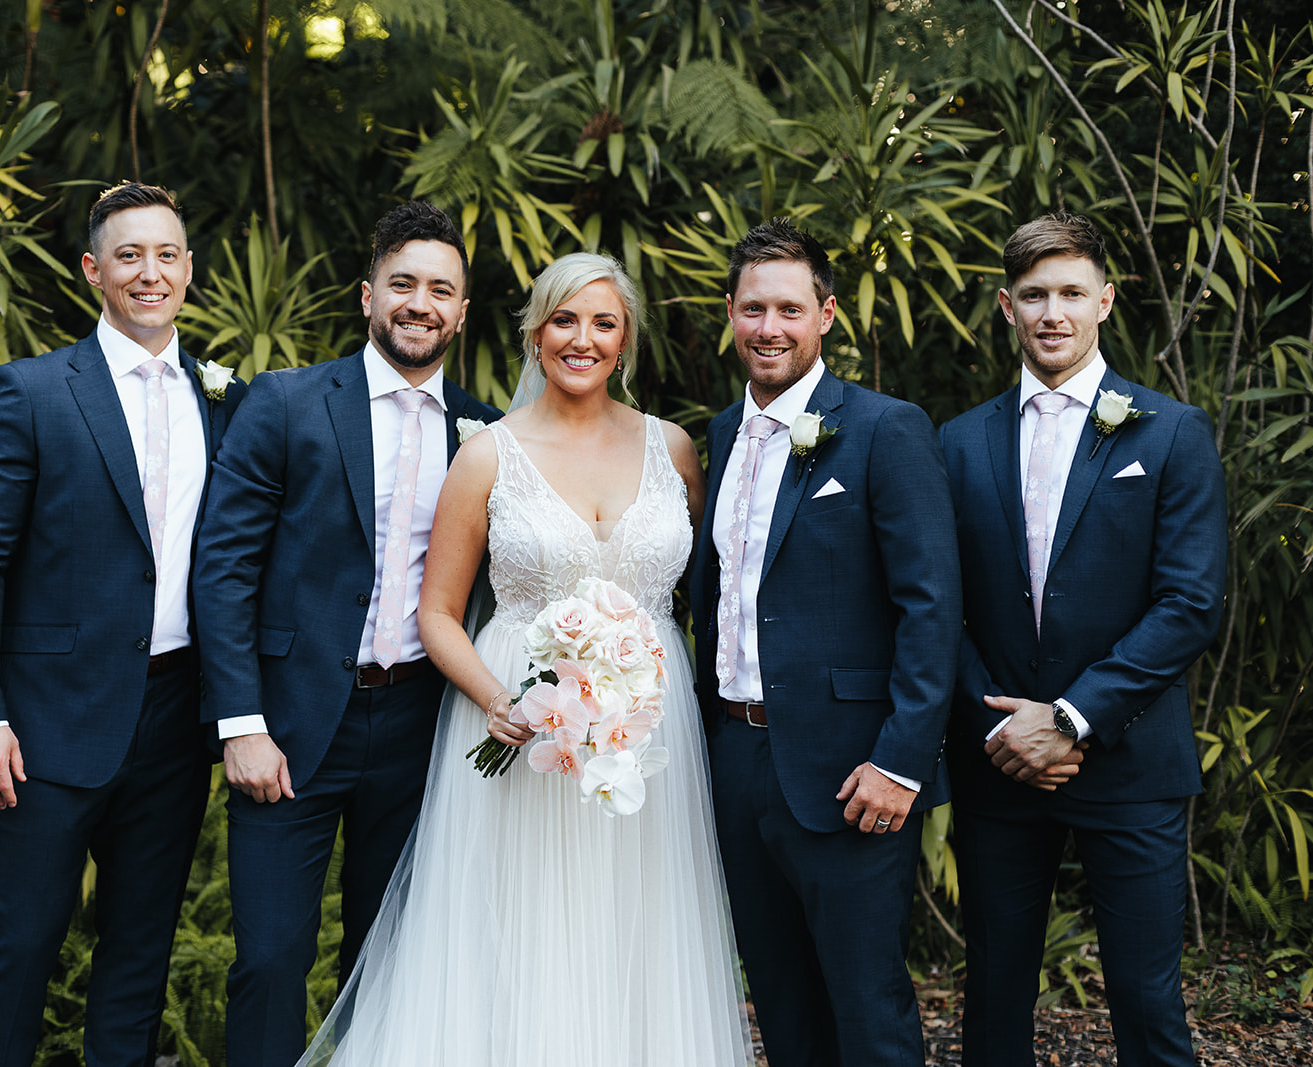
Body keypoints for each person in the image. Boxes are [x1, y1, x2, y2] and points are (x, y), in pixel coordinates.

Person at [287, 251, 754, 1066]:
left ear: (626, 339)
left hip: (648, 730)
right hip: (519, 721)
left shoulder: (675, 450)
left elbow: (705, 596)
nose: (583, 339)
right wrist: (499, 699)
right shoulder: (487, 455)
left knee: (637, 924)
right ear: (535, 335)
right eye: (564, 320)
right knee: (523, 924)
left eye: (603, 322)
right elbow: (437, 612)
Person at [0, 181, 245, 1067]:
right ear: (93, 271)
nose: (150, 274)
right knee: (24, 940)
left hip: (176, 718)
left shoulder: (226, 398)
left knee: (140, 952)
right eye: (129, 256)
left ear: (188, 269)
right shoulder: (29, 392)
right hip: (43, 722)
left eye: (166, 255)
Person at [192, 201, 500, 1064]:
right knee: (269, 956)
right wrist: (241, 724)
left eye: (441, 289)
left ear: (463, 312)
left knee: (391, 956)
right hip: (287, 726)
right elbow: (223, 570)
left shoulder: (483, 431)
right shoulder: (286, 404)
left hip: (419, 726)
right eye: (403, 283)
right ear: (368, 295)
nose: (420, 302)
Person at [939, 212, 1226, 1067]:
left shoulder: (1170, 432)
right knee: (994, 991)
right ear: (1006, 306)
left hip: (1131, 759)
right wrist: (998, 723)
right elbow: (934, 606)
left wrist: (1068, 717)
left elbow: (1191, 603)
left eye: (1070, 292)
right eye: (1033, 295)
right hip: (998, 761)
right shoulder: (957, 442)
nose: (1052, 312)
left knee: (1144, 996)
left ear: (1105, 300)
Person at [690, 218, 962, 1067]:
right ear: (729, 314)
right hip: (735, 760)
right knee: (780, 998)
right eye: (753, 308)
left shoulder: (886, 427)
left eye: (789, 309)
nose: (770, 327)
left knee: (867, 1004)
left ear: (827, 315)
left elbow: (932, 605)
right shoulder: (720, 436)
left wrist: (902, 760)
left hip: (853, 770)